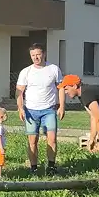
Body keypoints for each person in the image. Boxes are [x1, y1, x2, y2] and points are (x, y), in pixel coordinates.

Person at [15, 43, 64, 175]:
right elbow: (19, 91)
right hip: (31, 111)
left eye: (38, 54)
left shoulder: (53, 69)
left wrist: (62, 106)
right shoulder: (26, 72)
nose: (36, 57)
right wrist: (20, 108)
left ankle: (51, 167)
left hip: (49, 110)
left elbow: (60, 88)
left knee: (52, 139)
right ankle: (34, 168)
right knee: (32, 141)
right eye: (33, 55)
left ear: (44, 54)